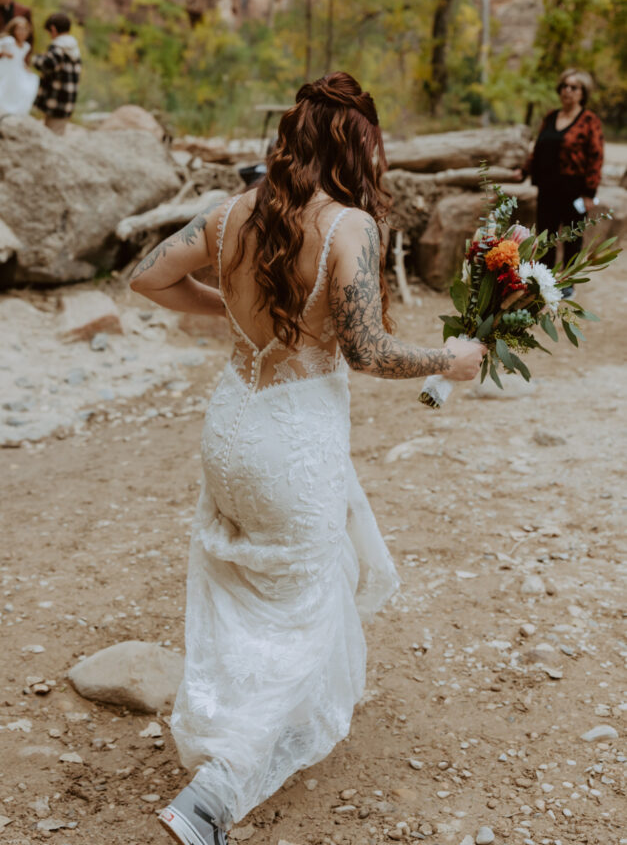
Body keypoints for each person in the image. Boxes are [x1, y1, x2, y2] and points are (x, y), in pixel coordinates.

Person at [130, 72, 486, 845]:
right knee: (304, 608)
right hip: (291, 441)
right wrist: (448, 360)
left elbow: (146, 276)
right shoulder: (348, 228)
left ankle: (227, 729)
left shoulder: (230, 216)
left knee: (241, 589)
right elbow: (365, 350)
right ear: (355, 146)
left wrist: (226, 308)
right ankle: (212, 795)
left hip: (231, 427)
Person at [516, 69, 604, 285]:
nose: (567, 91)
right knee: (546, 236)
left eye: (574, 87)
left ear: (583, 92)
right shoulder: (551, 117)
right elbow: (538, 149)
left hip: (574, 188)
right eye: (564, 86)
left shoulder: (589, 120)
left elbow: (596, 157)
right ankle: (544, 281)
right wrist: (524, 171)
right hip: (547, 186)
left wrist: (589, 193)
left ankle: (568, 282)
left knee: (572, 236)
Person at [32, 12, 82, 135]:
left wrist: (34, 59)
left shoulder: (58, 47)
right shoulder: (73, 47)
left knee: (52, 136)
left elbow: (47, 64)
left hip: (56, 100)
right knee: (58, 132)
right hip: (67, 101)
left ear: (53, 29)